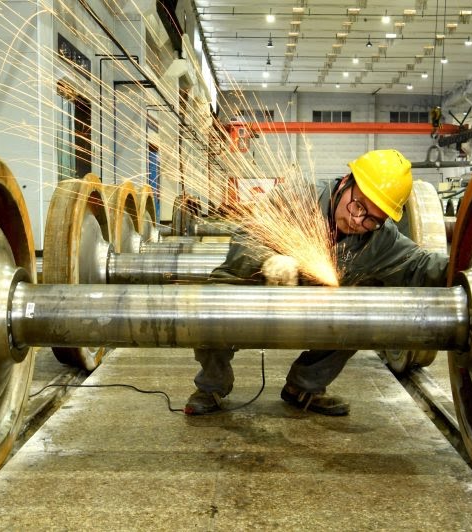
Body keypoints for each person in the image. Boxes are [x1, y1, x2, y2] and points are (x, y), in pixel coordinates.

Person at [185, 149, 450, 416]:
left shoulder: (381, 239)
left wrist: (470, 265)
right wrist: (268, 259)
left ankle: (303, 387)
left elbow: (420, 264)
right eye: (358, 206)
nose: (358, 221)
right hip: (256, 293)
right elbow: (244, 237)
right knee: (209, 301)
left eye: (372, 219)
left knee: (362, 312)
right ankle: (212, 385)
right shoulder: (298, 198)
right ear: (347, 181)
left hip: (313, 308)